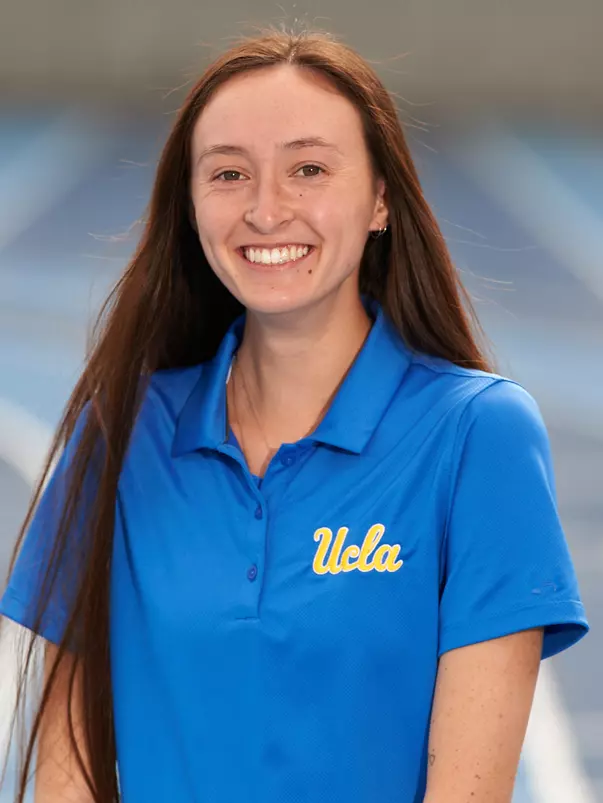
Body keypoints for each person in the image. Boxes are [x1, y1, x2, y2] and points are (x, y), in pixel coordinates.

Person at [0, 27, 589, 803]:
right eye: (229, 173)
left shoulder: (476, 434)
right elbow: (67, 770)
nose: (266, 209)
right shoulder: (117, 430)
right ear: (191, 204)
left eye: (308, 169)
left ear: (381, 198)